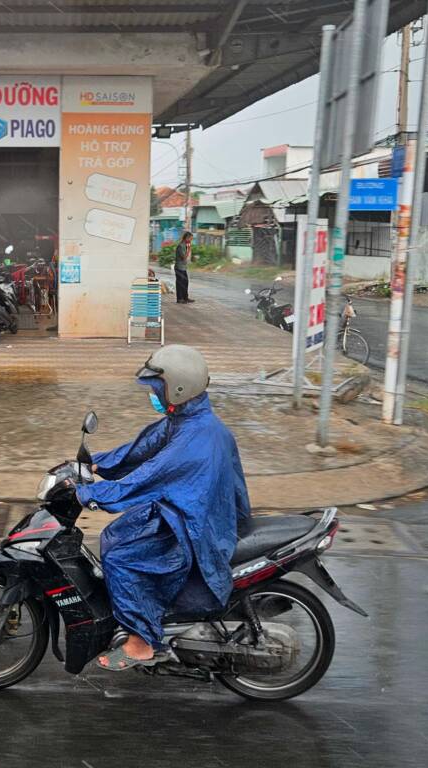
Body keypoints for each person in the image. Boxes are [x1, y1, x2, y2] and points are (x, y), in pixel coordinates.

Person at [76, 345, 251, 671]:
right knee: (116, 534)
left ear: (178, 387)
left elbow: (146, 478)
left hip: (195, 527)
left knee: (121, 557)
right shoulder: (187, 420)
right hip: (189, 512)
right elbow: (141, 449)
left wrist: (88, 494)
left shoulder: (194, 437)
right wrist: (96, 465)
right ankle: (134, 616)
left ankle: (141, 643)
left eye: (158, 387)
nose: (154, 394)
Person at [174, 231, 194, 304]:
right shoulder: (181, 246)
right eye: (190, 239)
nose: (191, 240)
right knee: (180, 283)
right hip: (179, 267)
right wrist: (189, 250)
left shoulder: (184, 245)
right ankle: (180, 299)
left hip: (183, 267)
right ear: (187, 238)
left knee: (185, 282)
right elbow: (184, 257)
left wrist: (188, 248)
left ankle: (185, 298)